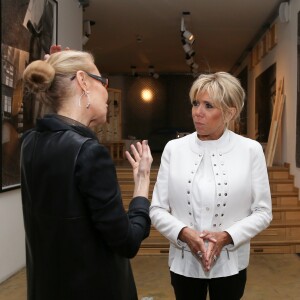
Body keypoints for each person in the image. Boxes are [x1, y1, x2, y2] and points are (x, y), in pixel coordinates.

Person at [21, 47, 153, 300]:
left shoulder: (30, 143)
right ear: (82, 81)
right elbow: (127, 242)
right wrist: (141, 186)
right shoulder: (89, 152)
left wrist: (60, 66)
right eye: (103, 81)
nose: (107, 91)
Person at [150, 71, 272, 300]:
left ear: (229, 112)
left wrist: (227, 236)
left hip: (231, 263)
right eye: (196, 103)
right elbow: (157, 209)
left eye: (208, 106)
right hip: (184, 262)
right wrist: (184, 233)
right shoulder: (173, 149)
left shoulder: (250, 150)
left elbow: (263, 212)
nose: (198, 112)